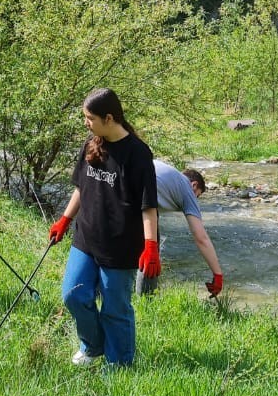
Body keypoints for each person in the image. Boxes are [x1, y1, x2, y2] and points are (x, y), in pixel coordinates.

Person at [47, 87, 160, 366]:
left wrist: (151, 246)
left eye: (90, 118)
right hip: (86, 237)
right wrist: (65, 219)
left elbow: (148, 205)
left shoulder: (138, 153)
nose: (86, 122)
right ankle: (93, 346)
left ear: (109, 118)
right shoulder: (91, 144)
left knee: (115, 309)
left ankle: (119, 364)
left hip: (120, 245)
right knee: (73, 294)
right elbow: (80, 188)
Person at [138, 161, 225, 298]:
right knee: (151, 255)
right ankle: (145, 300)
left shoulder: (169, 175)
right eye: (198, 195)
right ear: (194, 185)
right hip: (137, 202)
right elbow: (201, 238)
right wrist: (218, 274)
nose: (196, 199)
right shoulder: (186, 188)